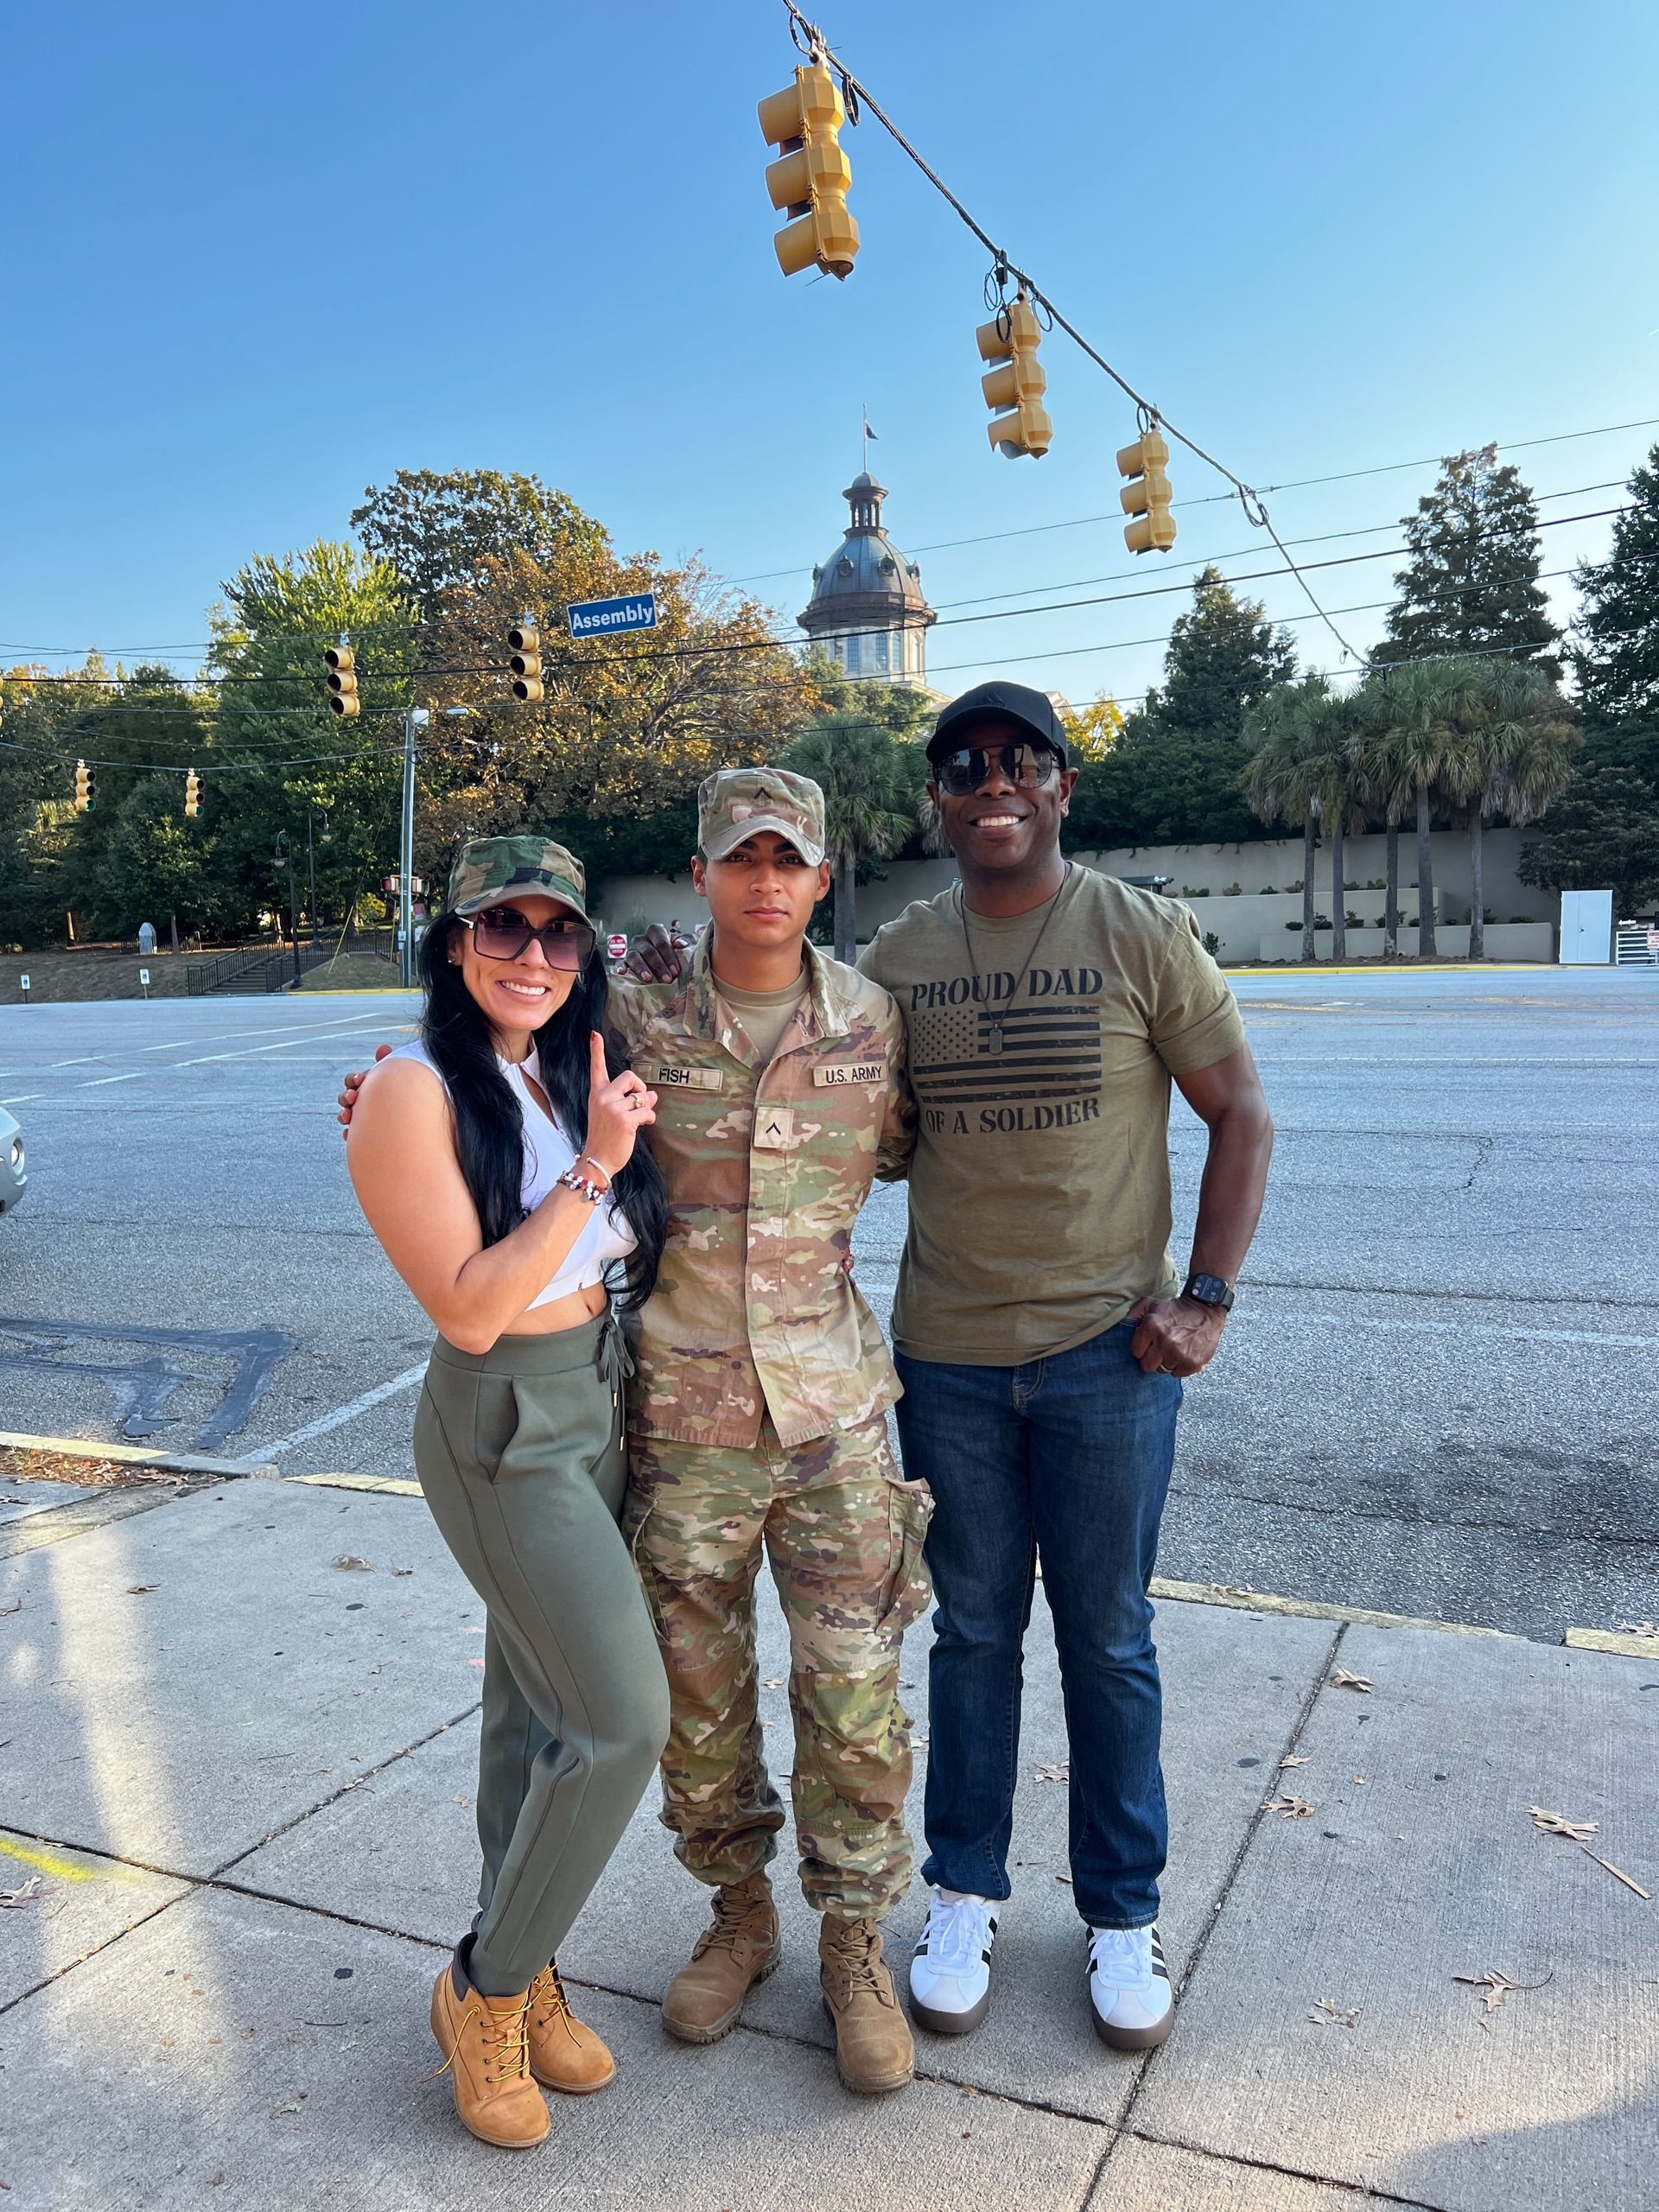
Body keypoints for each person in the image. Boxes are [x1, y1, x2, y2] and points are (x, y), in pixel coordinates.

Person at [629, 682, 1273, 2056]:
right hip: (946, 1365)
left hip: (1106, 1358)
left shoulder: (1131, 933)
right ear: (936, 800)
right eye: (966, 766)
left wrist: (1205, 1302)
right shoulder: (884, 972)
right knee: (969, 1639)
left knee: (1108, 1641)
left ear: (1059, 784)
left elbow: (1243, 1115)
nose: (994, 782)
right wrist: (414, 1082)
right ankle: (955, 1898)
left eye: (1020, 761)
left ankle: (1118, 1916)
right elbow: (529, 1052)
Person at [338, 775, 931, 2098]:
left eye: (790, 858)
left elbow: (934, 1158)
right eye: (739, 858)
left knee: (852, 1694)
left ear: (823, 876)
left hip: (831, 1414)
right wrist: (383, 1101)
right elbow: (474, 1113)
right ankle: (738, 1919)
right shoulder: (636, 1019)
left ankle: (851, 1945)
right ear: (702, 873)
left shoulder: (872, 1023)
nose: (765, 879)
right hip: (669, 1419)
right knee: (683, 1711)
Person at [344, 835, 671, 2151]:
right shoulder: (412, 1089)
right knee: (618, 1721)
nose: (532, 956)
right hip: (502, 1423)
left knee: (532, 1720)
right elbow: (472, 1311)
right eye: (504, 929)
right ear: (453, 942)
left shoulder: (556, 1067)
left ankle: (525, 1965)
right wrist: (596, 1162)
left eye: (558, 934)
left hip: (596, 1399)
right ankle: (480, 1992)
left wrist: (594, 1138)